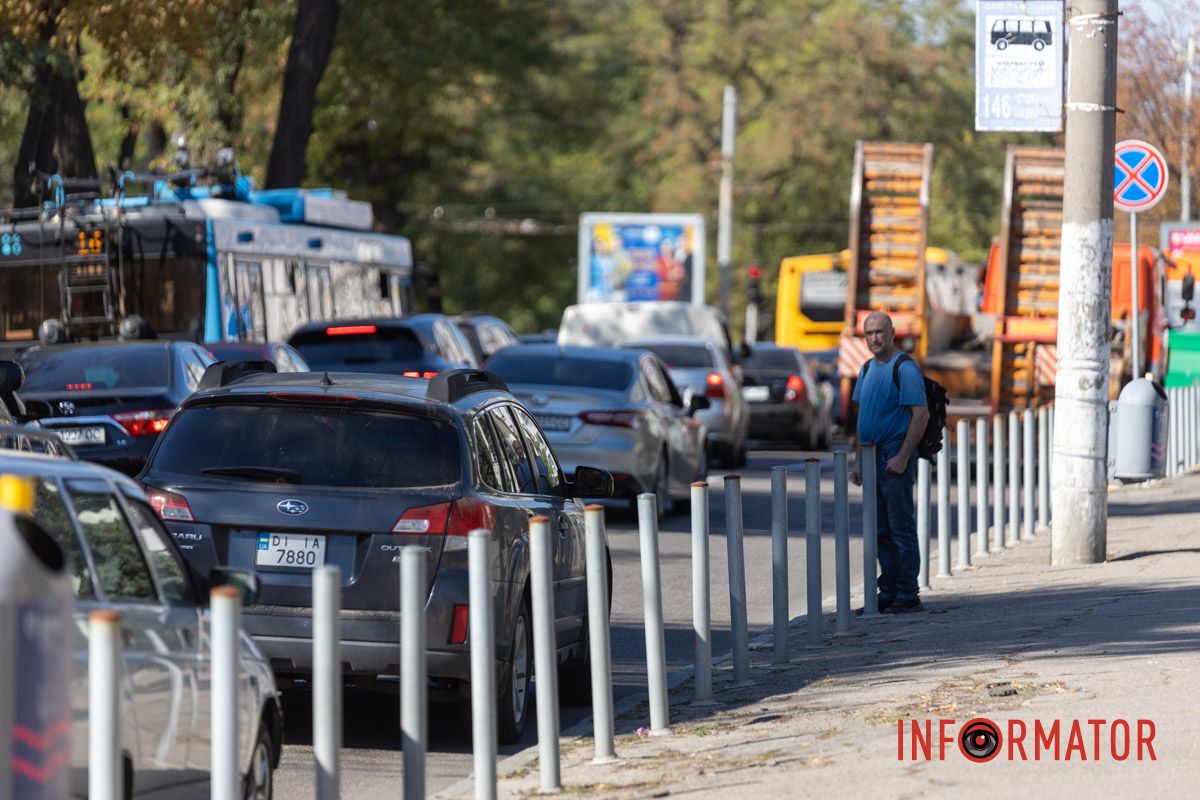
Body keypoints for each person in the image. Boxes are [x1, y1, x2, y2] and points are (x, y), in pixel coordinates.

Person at [849, 311, 930, 613]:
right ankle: (889, 590)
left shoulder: (904, 368)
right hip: (870, 455)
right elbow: (862, 418)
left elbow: (921, 415)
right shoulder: (867, 369)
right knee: (879, 528)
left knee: (900, 526)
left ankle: (908, 593)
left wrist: (903, 456)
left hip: (893, 453)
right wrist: (857, 461)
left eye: (879, 332)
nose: (874, 338)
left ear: (892, 332)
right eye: (868, 333)